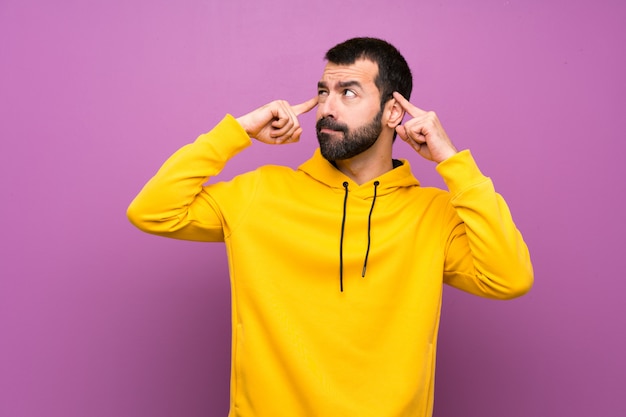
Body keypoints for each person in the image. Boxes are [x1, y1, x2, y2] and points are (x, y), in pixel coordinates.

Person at [127, 37, 533, 417]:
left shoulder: (435, 214)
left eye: (348, 93)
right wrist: (238, 131)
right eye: (324, 92)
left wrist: (453, 163)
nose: (327, 108)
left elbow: (509, 278)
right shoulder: (262, 192)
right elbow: (153, 210)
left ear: (394, 111)